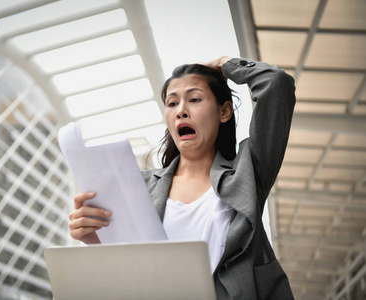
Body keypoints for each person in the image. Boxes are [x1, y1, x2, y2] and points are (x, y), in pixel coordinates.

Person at [68, 56, 295, 299]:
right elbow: (127, 276)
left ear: (225, 111)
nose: (181, 111)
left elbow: (276, 83)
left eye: (195, 99)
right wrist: (94, 240)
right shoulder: (139, 187)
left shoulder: (247, 172)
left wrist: (224, 64)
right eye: (172, 103)